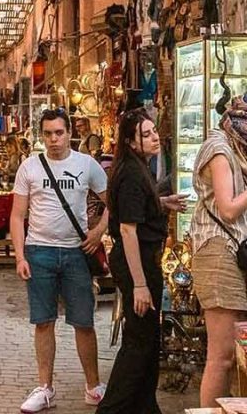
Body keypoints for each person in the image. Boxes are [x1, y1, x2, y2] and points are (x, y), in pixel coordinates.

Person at [11, 108, 110, 412]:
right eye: (48, 134)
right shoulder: (29, 167)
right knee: (43, 322)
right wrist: (20, 255)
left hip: (76, 253)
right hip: (39, 251)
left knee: (84, 322)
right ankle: (45, 388)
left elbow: (113, 203)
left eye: (59, 132)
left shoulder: (87, 165)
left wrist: (98, 232)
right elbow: (17, 215)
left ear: (69, 133)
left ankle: (93, 387)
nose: (54, 139)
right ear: (41, 136)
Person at [98, 109, 183, 414]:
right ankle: (111, 409)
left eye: (153, 131)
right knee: (138, 344)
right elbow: (127, 230)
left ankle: (145, 408)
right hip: (138, 262)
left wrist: (160, 203)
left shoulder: (136, 168)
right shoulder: (132, 173)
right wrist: (141, 285)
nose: (154, 137)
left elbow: (132, 208)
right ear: (131, 142)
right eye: (145, 134)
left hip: (142, 258)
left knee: (147, 342)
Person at [191, 97, 247, 407]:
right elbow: (227, 209)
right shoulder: (220, 149)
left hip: (233, 251)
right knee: (222, 355)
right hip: (217, 251)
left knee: (237, 355)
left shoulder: (239, 149)